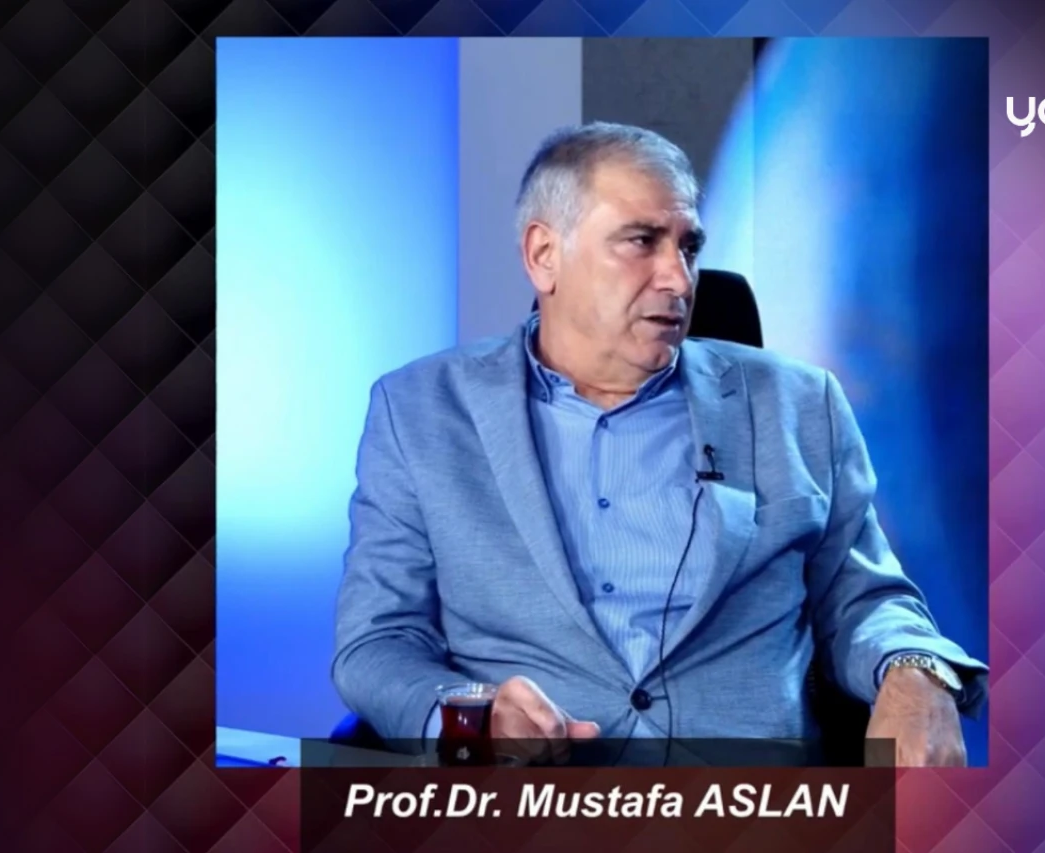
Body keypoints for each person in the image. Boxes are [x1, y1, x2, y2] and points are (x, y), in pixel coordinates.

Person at [332, 121, 987, 766]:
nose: (678, 279)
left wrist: (915, 667)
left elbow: (866, 598)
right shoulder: (420, 410)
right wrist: (469, 717)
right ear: (543, 254)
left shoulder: (798, 403)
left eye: (688, 246)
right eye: (641, 241)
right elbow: (378, 642)